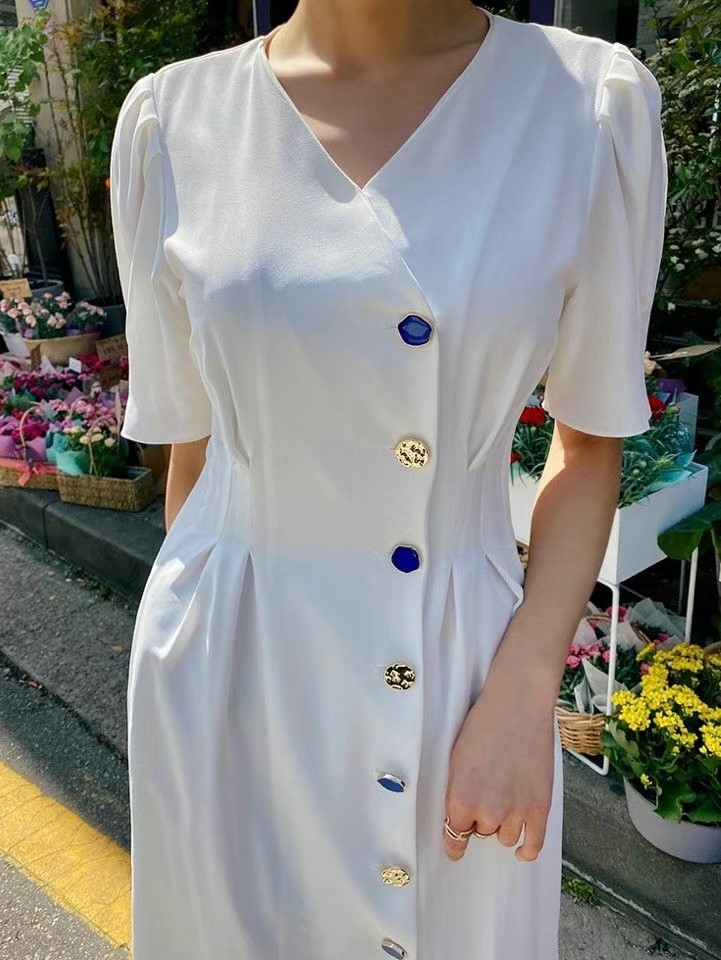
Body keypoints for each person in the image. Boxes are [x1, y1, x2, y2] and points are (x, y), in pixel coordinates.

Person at [109, 1, 668, 957]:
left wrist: (525, 691)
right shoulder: (173, 121)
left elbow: (588, 445)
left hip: (464, 672)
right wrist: (203, 666)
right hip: (229, 662)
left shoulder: (587, 105)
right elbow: (192, 455)